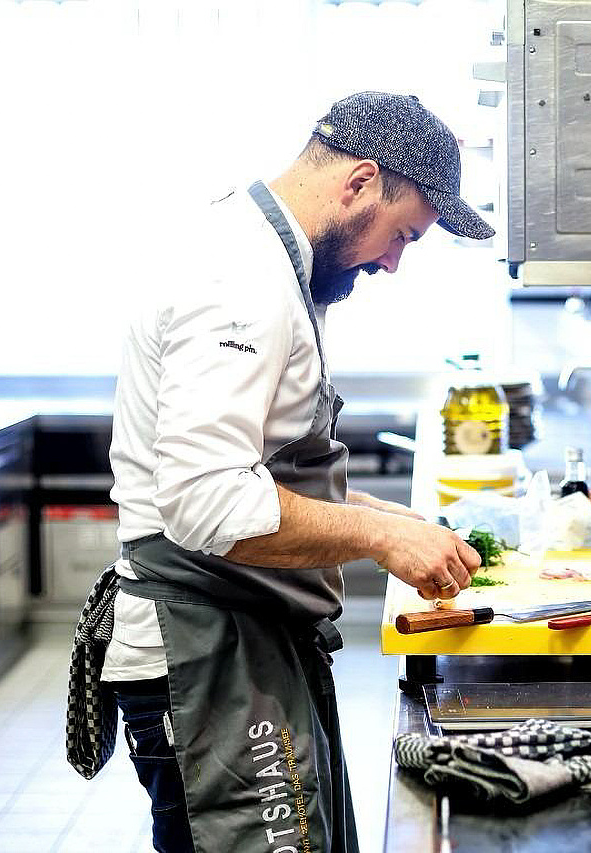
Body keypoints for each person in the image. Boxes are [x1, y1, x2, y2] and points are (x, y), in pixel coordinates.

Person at [96, 91, 492, 853]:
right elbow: (206, 501)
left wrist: (389, 518)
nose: (392, 261)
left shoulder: (264, 260)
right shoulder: (241, 282)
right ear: (359, 182)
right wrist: (374, 535)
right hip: (203, 662)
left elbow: (253, 468)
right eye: (401, 233)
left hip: (239, 644)